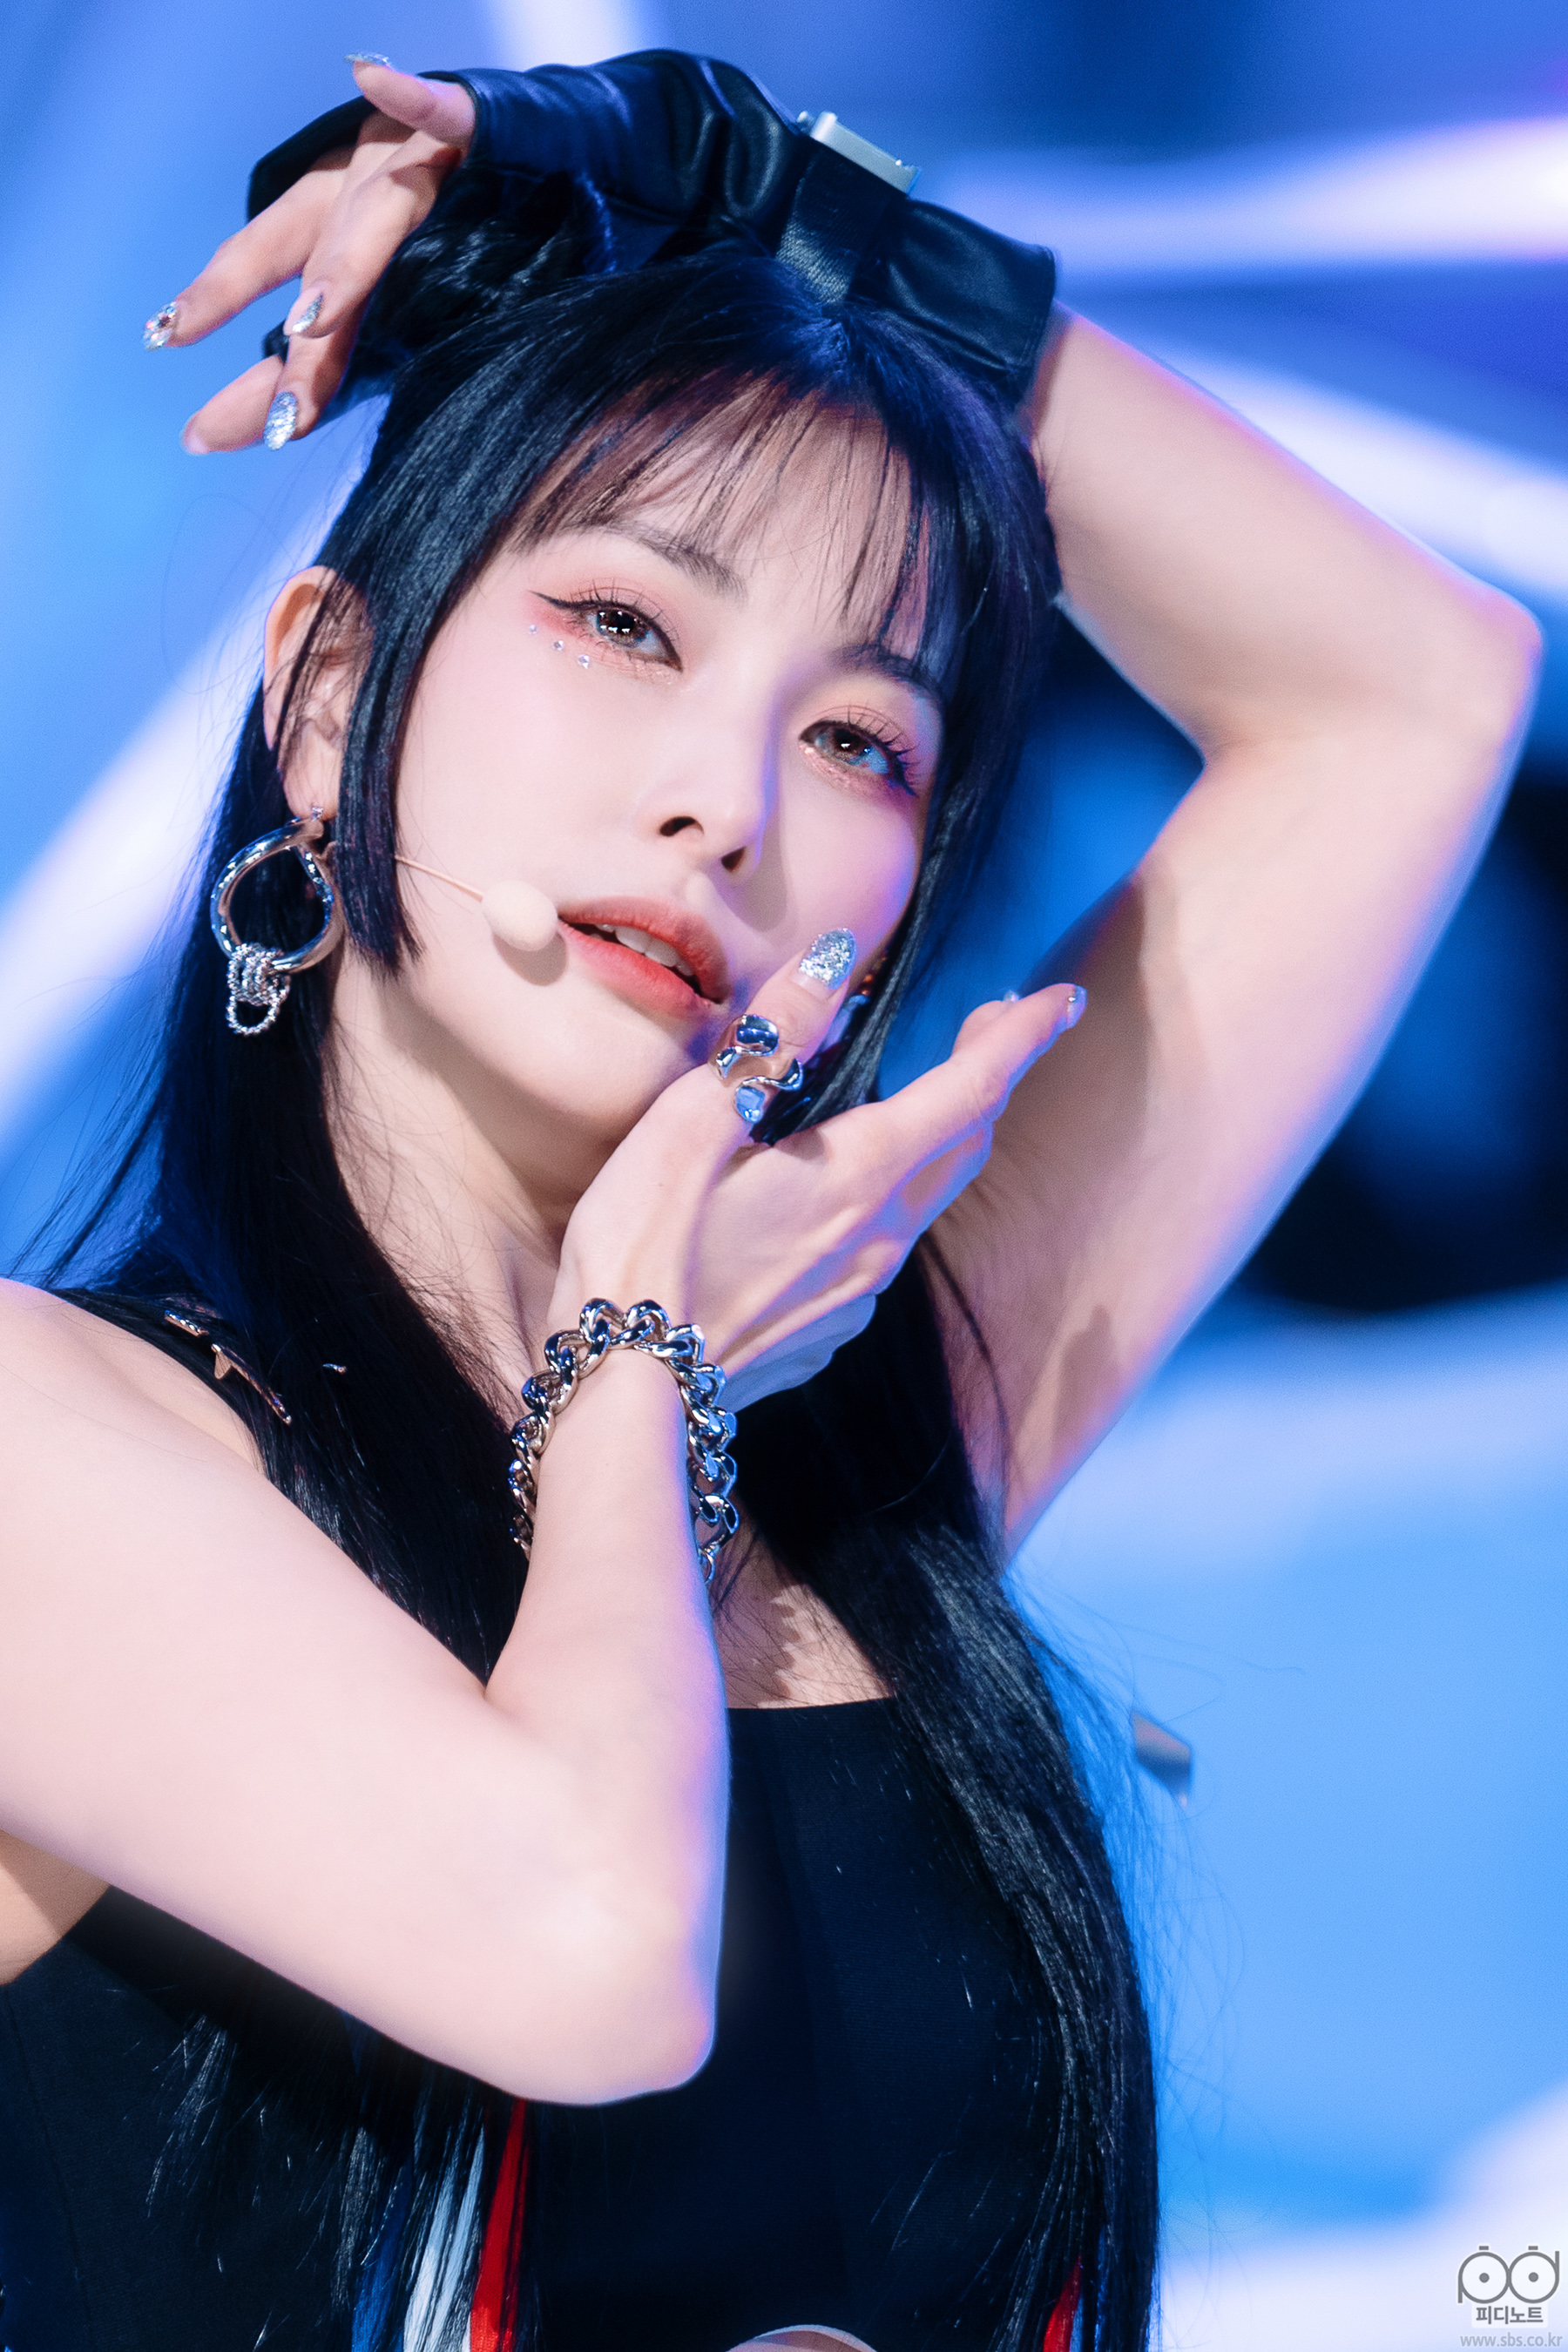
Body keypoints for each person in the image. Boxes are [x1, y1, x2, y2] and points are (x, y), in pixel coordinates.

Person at [0, 50, 1535, 2352]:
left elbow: (1408, 691)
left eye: (860, 740)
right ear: (327, 698)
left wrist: (774, 190)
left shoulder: (856, 1440)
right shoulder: (51, 1436)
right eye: (630, 624)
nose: (730, 802)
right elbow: (590, 1951)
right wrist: (645, 1361)